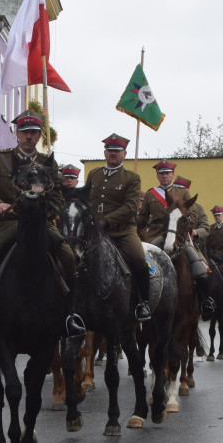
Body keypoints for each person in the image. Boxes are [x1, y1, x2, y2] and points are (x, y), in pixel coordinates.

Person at [0, 109, 85, 342]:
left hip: (40, 225)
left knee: (69, 258)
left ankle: (70, 316)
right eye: (25, 132)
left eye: (34, 133)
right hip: (5, 224)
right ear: (17, 134)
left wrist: (49, 211)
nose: (29, 137)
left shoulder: (48, 163)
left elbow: (59, 198)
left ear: (39, 136)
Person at [84, 134, 152, 322]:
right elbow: (87, 200)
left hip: (122, 231)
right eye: (110, 150)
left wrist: (107, 221)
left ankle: (143, 303)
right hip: (94, 230)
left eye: (117, 151)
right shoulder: (94, 174)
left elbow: (131, 207)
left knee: (139, 258)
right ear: (105, 152)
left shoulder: (131, 177)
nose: (113, 154)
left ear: (124, 154)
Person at [137, 160, 215, 319]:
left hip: (178, 236)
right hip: (156, 236)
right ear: (157, 175)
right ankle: (141, 303)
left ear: (172, 175)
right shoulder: (151, 194)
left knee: (199, 267)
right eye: (161, 173)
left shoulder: (183, 192)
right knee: (141, 264)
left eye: (167, 173)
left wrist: (183, 228)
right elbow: (142, 219)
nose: (165, 176)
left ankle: (205, 301)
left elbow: (192, 216)